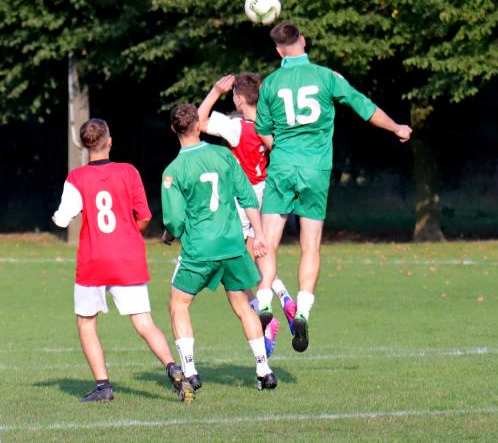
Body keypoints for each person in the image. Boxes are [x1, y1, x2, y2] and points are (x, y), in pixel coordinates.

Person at [255, 21, 412, 352]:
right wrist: (396, 127)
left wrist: (282, 151)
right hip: (315, 170)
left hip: (282, 166)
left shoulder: (269, 84)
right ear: (303, 41)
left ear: (279, 50)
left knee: (268, 242)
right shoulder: (327, 77)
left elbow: (263, 131)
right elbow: (364, 107)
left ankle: (265, 302)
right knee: (310, 245)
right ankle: (303, 311)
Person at [52, 118, 194, 403]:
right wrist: (127, 232)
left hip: (94, 260)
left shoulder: (77, 178)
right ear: (109, 142)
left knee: (86, 323)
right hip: (128, 257)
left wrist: (61, 215)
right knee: (144, 322)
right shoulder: (129, 171)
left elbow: (62, 219)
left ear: (85, 146)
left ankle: (103, 386)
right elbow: (144, 217)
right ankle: (174, 369)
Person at [162, 104, 277, 392]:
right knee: (243, 305)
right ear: (198, 124)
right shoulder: (224, 155)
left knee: (178, 304)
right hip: (232, 244)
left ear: (173, 129)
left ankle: (190, 371)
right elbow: (247, 196)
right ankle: (263, 370)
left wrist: (170, 234)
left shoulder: (173, 170)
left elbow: (174, 220)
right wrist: (259, 235)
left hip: (200, 249)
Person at [197, 72, 297, 356]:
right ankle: (284, 299)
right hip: (267, 195)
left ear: (240, 99)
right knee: (259, 255)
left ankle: (264, 316)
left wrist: (215, 91)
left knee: (237, 269)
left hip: (242, 200)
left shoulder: (236, 127)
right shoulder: (270, 125)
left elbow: (199, 122)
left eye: (233, 96)